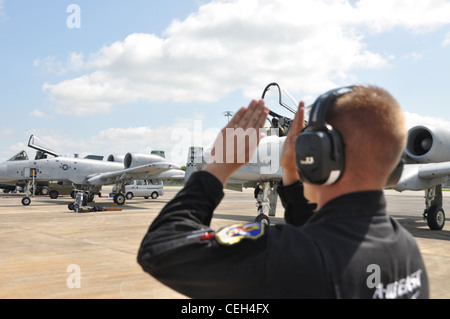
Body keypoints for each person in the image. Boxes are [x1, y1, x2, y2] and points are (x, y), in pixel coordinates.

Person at [137, 86, 429, 299]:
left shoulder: (289, 255)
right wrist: (291, 175)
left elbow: (160, 249)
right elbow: (326, 237)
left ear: (319, 153)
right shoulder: (406, 250)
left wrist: (217, 168)